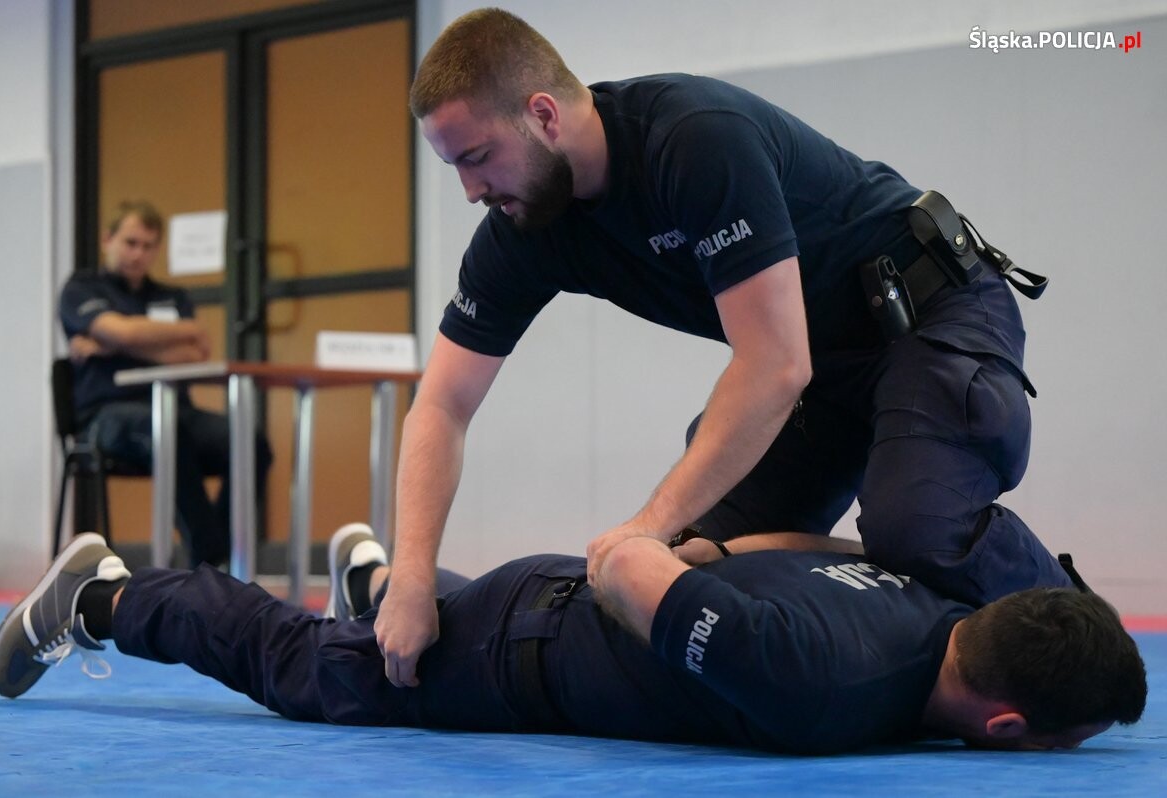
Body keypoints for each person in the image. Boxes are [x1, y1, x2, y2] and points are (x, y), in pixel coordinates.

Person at [375, 8, 1076, 687]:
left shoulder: (693, 141)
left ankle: (1080, 637)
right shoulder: (521, 228)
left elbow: (773, 364)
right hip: (823, 366)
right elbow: (442, 403)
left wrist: (647, 524)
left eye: (476, 158)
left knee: (916, 528)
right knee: (695, 566)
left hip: (930, 312)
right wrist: (409, 577)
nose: (470, 191)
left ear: (544, 116)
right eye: (453, 168)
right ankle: (899, 648)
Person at [0, 529, 1145, 755]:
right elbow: (630, 562)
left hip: (537, 610)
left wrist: (706, 559)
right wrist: (670, 566)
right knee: (306, 673)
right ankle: (106, 597)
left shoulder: (920, 595)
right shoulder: (826, 688)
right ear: (1006, 726)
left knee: (392, 616)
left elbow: (787, 542)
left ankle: (381, 581)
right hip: (513, 648)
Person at [58, 200, 272, 567]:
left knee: (250, 441)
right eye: (130, 242)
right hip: (105, 416)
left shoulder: (172, 297)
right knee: (164, 430)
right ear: (108, 239)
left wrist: (114, 345)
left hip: (175, 407)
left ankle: (219, 556)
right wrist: (141, 336)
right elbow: (120, 330)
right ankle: (213, 561)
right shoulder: (81, 288)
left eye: (147, 246)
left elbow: (196, 351)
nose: (137, 254)